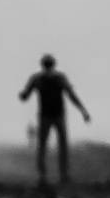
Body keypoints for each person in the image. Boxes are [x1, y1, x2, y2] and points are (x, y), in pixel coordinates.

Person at [19, 53, 91, 185]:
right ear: (53, 65)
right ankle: (61, 175)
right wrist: (83, 111)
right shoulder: (58, 78)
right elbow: (72, 95)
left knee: (44, 146)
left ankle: (45, 176)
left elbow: (25, 96)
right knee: (59, 145)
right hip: (55, 115)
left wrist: (22, 95)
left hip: (49, 116)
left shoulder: (38, 78)